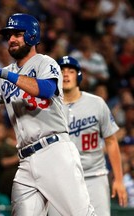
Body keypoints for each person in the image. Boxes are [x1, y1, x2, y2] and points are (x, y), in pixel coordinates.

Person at [0, 13, 96, 216]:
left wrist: (5, 74)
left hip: (54, 151)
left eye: (17, 34)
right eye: (9, 35)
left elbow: (45, 89)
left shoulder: (45, 63)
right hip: (25, 160)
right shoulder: (4, 75)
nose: (11, 39)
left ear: (32, 36)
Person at [48, 56, 128, 216]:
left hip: (94, 176)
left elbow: (111, 141)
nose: (66, 75)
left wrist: (119, 180)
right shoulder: (48, 107)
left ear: (78, 76)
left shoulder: (96, 103)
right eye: (62, 71)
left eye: (71, 71)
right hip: (61, 178)